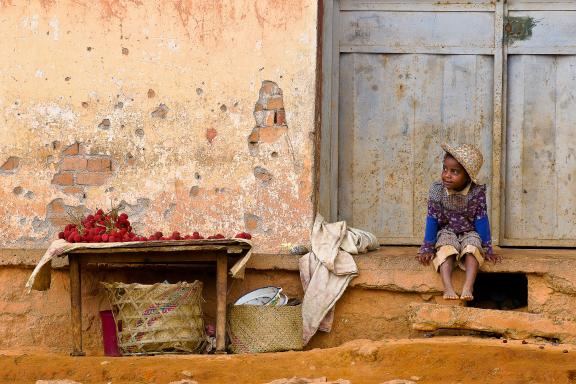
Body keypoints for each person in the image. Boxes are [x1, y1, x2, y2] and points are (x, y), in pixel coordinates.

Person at [417, 143, 501, 301]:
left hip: (470, 231)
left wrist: (488, 249)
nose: (447, 175)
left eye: (454, 172)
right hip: (446, 230)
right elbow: (432, 218)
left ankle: (468, 286)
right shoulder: (437, 189)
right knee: (446, 249)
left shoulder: (476, 192)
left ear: (468, 176)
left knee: (472, 249)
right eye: (445, 169)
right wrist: (427, 247)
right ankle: (448, 287)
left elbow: (481, 219)